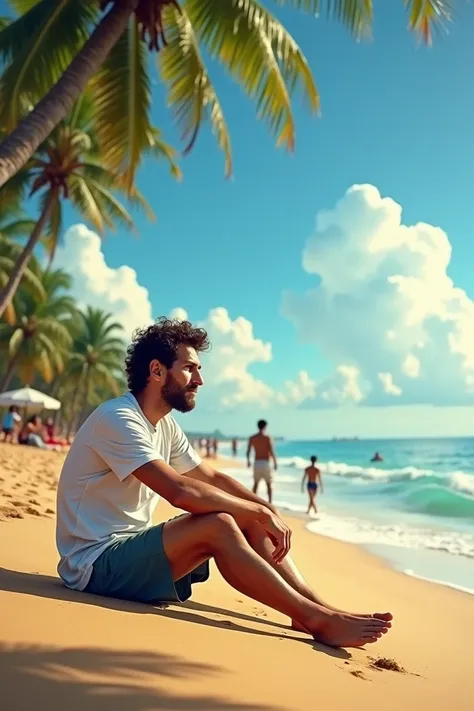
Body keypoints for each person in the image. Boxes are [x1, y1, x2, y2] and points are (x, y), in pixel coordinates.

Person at [56, 317, 392, 648]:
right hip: (94, 565)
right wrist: (257, 513)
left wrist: (264, 510)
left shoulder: (164, 425)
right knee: (220, 524)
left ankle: (314, 609)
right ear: (157, 371)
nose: (199, 380)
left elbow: (211, 477)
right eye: (189, 368)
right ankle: (318, 620)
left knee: (247, 515)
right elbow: (180, 491)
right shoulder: (119, 418)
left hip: (130, 554)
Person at [247, 420, 277, 504]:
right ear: (265, 426)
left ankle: (253, 501)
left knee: (256, 483)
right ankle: (270, 502)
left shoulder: (252, 438)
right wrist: (275, 462)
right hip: (266, 462)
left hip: (257, 462)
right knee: (268, 484)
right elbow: (271, 451)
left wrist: (248, 461)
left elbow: (248, 451)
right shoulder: (267, 437)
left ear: (258, 426)